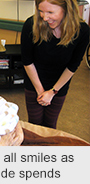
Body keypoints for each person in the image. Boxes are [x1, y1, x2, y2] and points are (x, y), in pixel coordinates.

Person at [21, 0, 90, 128]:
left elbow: (73, 66)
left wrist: (52, 92)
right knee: (34, 125)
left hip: (60, 84)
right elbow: (27, 61)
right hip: (34, 81)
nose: (45, 17)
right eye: (41, 11)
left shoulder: (82, 30)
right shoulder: (31, 24)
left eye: (50, 12)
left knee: (50, 125)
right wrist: (41, 91)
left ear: (66, 9)